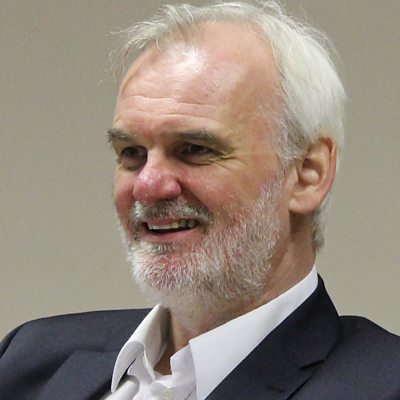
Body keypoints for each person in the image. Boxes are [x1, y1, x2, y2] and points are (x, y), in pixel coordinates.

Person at [1, 1, 399, 399]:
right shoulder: (27, 362)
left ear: (308, 173)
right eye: (132, 153)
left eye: (194, 149)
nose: (148, 186)